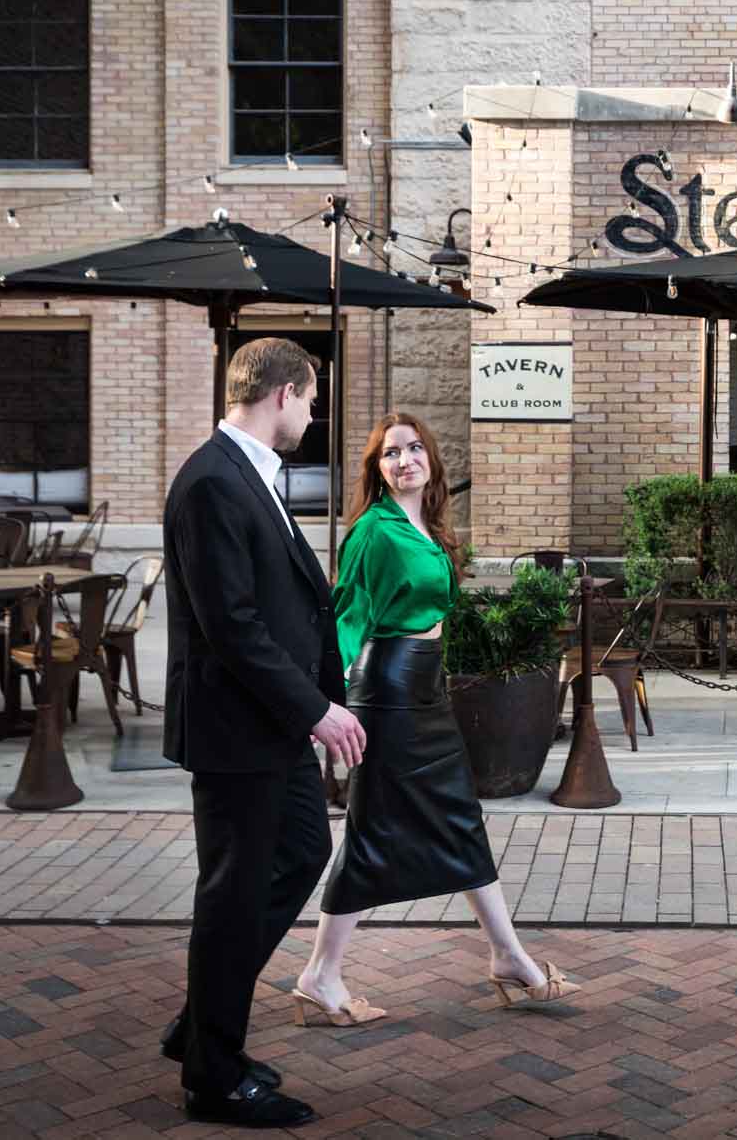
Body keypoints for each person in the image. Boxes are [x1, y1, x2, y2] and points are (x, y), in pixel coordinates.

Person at [295, 412, 577, 1025]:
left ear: (431, 460)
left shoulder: (425, 525)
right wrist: (329, 705)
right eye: (390, 453)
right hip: (388, 692)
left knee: (459, 817)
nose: (404, 460)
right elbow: (345, 616)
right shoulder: (373, 529)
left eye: (414, 448)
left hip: (425, 688)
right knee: (373, 831)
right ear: (376, 469)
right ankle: (320, 974)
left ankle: (508, 955)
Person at [160, 338, 367, 1129]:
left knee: (302, 852)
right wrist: (318, 711)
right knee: (232, 896)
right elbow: (232, 625)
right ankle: (213, 1076)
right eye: (312, 400)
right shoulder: (213, 480)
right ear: (282, 393)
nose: (313, 416)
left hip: (269, 725)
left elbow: (287, 602)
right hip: (236, 728)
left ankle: (201, 1022)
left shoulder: (250, 473)